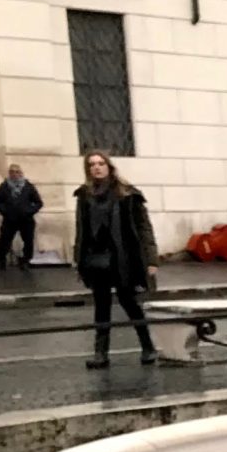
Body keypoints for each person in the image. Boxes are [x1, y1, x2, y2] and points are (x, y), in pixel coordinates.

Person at [72, 151, 158, 367]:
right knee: (101, 306)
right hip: (96, 258)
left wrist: (151, 260)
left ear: (109, 166)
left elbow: (144, 228)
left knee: (129, 302)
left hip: (123, 257)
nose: (97, 167)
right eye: (92, 164)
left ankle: (148, 347)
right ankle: (101, 353)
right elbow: (80, 230)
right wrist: (78, 258)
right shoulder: (84, 195)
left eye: (101, 163)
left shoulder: (127, 194)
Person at [0, 162, 43, 268]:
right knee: (4, 240)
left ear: (21, 173)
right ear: (9, 174)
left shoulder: (28, 186)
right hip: (9, 219)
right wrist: (4, 211)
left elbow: (38, 202)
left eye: (17, 172)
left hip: (26, 219)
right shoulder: (4, 186)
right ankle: (0, 261)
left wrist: (29, 211)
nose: (14, 174)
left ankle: (26, 260)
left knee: (28, 240)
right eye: (12, 172)